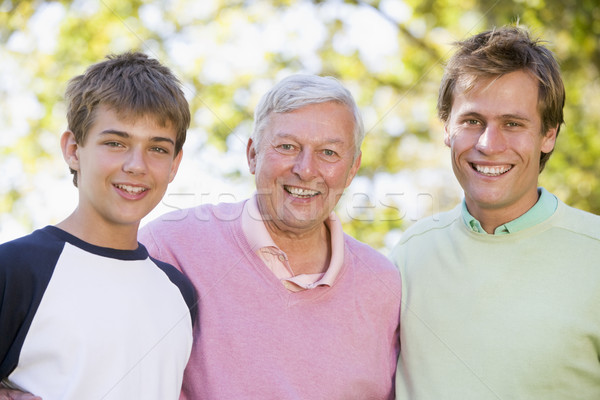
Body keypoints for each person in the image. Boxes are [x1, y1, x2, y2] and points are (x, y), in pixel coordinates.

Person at [139, 74, 402, 399]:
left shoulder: (383, 285)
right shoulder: (169, 246)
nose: (306, 170)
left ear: (352, 168)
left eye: (329, 153)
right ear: (252, 154)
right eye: (287, 147)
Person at [391, 25, 600, 399]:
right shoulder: (409, 255)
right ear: (447, 129)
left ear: (548, 134)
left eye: (513, 124)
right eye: (472, 121)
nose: (489, 144)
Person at [0, 52, 197, 400]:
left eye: (157, 148)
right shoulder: (15, 270)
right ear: (74, 149)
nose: (136, 165)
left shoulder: (179, 291)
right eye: (115, 143)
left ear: (174, 164)